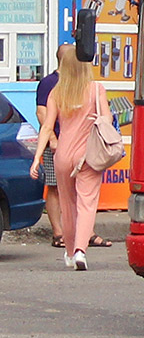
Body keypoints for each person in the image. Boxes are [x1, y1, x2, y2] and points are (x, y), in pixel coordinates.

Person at [28, 48, 113, 270]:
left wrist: (37, 158)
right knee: (87, 203)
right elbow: (106, 119)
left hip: (63, 154)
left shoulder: (57, 93)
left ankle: (68, 251)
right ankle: (80, 252)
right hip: (88, 155)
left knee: (68, 204)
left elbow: (47, 126)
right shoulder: (96, 89)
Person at [34, 44, 71, 248]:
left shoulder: (77, 82)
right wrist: (53, 140)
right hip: (55, 143)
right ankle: (58, 233)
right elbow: (42, 113)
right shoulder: (49, 83)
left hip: (75, 142)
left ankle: (82, 232)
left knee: (77, 188)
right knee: (55, 187)